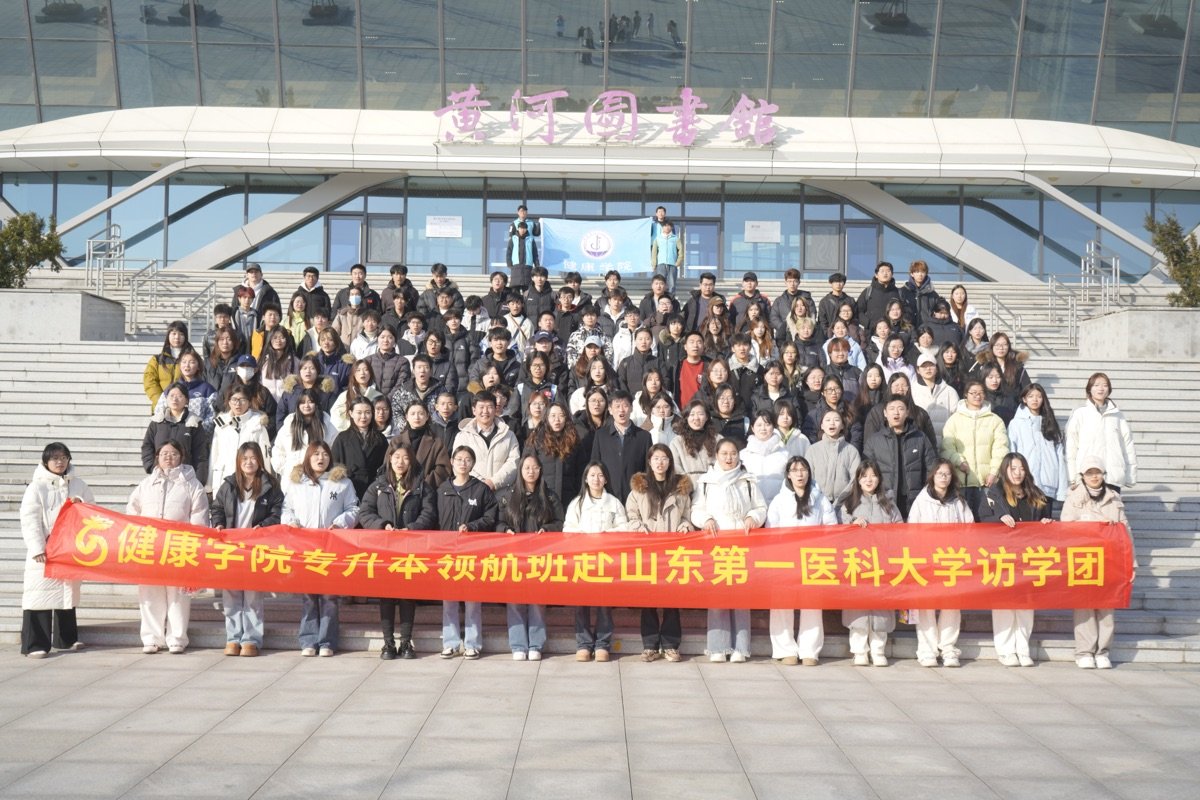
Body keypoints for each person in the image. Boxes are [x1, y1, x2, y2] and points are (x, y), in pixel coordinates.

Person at [127, 440, 208, 654]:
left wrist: (194, 543)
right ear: (157, 457)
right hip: (150, 547)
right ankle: (152, 638)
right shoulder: (146, 484)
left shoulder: (192, 485)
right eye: (164, 454)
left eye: (173, 454)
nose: (168, 458)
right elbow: (132, 511)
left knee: (178, 595)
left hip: (179, 547)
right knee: (149, 594)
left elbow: (199, 516)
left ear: (181, 457)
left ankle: (177, 638)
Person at [359, 442, 437, 660]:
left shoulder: (422, 487)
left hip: (411, 549)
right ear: (389, 460)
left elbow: (429, 513)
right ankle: (388, 643)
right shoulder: (378, 486)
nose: (400, 462)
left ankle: (405, 642)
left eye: (405, 458)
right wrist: (382, 525)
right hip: (385, 549)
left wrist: (411, 529)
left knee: (407, 596)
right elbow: (365, 512)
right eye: (396, 457)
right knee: (386, 596)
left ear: (411, 461)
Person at [692, 439, 767, 663]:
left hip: (741, 546)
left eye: (733, 453)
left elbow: (761, 507)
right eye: (724, 453)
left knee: (741, 597)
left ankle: (740, 648)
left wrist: (753, 517)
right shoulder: (706, 482)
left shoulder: (748, 480)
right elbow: (696, 509)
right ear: (716, 455)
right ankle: (718, 646)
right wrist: (706, 519)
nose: (729, 458)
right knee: (718, 596)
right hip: (716, 545)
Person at [977, 452, 1053, 667]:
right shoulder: (994, 493)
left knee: (1026, 605)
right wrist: (999, 518)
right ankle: (1006, 650)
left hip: (1028, 558)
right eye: (1013, 469)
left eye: (1021, 468)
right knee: (1003, 605)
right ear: (1005, 470)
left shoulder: (1036, 494)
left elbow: (1046, 521)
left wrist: (1046, 523)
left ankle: (1023, 648)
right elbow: (982, 520)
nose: (1018, 473)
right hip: (1003, 557)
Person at [19, 443, 95, 658]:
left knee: (67, 594)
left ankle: (66, 639)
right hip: (46, 550)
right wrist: (37, 548)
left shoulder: (78, 484)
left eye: (63, 457)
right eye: (54, 458)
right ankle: (35, 644)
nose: (60, 462)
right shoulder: (37, 487)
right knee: (39, 596)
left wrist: (80, 504)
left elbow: (92, 511)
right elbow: (30, 519)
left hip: (70, 549)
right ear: (45, 462)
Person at [283, 441, 358, 657]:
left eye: (324, 454)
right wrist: (292, 522)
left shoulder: (342, 483)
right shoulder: (297, 483)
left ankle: (327, 642)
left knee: (329, 596)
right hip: (305, 546)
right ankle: (308, 640)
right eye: (315, 454)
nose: (320, 458)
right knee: (308, 595)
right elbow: (286, 509)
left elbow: (354, 508)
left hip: (331, 546)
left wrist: (340, 523)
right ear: (308, 457)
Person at [210, 442, 283, 658]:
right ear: (238, 462)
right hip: (231, 547)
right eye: (244, 459)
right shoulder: (229, 484)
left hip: (256, 548)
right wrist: (219, 524)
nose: (249, 462)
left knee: (252, 596)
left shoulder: (270, 485)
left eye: (252, 458)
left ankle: (251, 639)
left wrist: (265, 525)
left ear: (260, 460)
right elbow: (217, 507)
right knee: (231, 594)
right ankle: (233, 638)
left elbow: (277, 512)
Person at [623, 445, 693, 662]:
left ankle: (671, 644)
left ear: (670, 462)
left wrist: (685, 525)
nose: (660, 462)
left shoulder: (680, 488)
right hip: (647, 551)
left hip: (673, 551)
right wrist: (637, 526)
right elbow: (630, 515)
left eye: (664, 458)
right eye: (656, 458)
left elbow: (688, 515)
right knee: (648, 598)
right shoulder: (639, 488)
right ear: (649, 462)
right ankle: (650, 645)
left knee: (672, 598)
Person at [1061, 455, 1130, 670]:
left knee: (1107, 608)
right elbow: (1066, 527)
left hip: (1110, 560)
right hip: (1083, 558)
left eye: (1097, 472)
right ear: (1082, 476)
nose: (1094, 476)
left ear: (1103, 475)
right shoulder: (1073, 498)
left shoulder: (1114, 499)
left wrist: (1132, 564)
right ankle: (1084, 651)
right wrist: (1093, 523)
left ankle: (1103, 651)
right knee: (1084, 607)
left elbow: (1126, 534)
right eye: (1089, 473)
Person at [765, 455, 835, 666]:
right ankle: (785, 649)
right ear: (788, 475)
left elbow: (831, 526)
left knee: (812, 604)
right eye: (794, 470)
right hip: (785, 559)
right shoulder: (779, 500)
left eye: (803, 469)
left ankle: (809, 650)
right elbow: (771, 529)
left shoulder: (820, 498)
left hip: (813, 558)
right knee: (782, 603)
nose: (799, 474)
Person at [906, 459, 973, 667]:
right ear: (932, 476)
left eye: (947, 474)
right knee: (925, 605)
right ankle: (927, 650)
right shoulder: (921, 501)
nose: (943, 477)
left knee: (951, 605)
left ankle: (948, 648)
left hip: (952, 560)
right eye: (939, 473)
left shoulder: (959, 502)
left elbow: (969, 528)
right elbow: (912, 529)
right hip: (926, 560)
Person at [497, 454, 564, 660]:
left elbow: (560, 522)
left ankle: (536, 644)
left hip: (539, 557)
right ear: (520, 470)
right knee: (515, 599)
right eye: (526, 467)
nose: (531, 471)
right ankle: (518, 645)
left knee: (537, 601)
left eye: (535, 467)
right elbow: (498, 522)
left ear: (540, 470)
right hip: (515, 556)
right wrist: (505, 530)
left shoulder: (549, 496)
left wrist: (547, 529)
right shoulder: (508, 496)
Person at [436, 446, 499, 660]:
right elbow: (433, 517)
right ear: (452, 462)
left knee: (472, 599)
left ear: (472, 463)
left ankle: (473, 643)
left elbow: (491, 517)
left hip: (473, 553)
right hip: (447, 552)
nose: (463, 463)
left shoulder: (481, 490)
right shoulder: (442, 489)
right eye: (459, 459)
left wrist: (472, 526)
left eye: (467, 459)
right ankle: (450, 643)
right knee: (449, 599)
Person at [564, 461, 628, 661]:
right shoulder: (577, 503)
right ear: (585, 479)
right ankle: (583, 644)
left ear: (606, 479)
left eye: (600, 475)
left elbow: (624, 528)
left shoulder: (614, 503)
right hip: (582, 560)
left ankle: (602, 644)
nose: (596, 479)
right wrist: (584, 537)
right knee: (581, 603)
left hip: (606, 561)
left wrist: (605, 535)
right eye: (592, 475)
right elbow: (568, 529)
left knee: (604, 603)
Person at [840, 461, 903, 666]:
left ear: (879, 479)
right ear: (858, 479)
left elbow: (900, 529)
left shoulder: (889, 503)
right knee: (858, 607)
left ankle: (878, 649)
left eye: (873, 475)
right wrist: (852, 524)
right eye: (864, 476)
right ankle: (859, 650)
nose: (869, 480)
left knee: (880, 608)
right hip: (857, 562)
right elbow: (839, 530)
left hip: (882, 563)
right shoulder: (849, 504)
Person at [940, 379, 1010, 512]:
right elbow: (946, 448)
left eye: (981, 393)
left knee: (987, 518)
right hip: (962, 480)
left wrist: (994, 472)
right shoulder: (954, 420)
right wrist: (958, 461)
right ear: (966, 394)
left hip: (986, 482)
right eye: (973, 393)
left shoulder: (995, 420)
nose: (977, 396)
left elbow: (1001, 449)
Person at [863, 397, 938, 518]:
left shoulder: (920, 437)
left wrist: (926, 492)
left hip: (914, 499)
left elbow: (931, 467)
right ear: (885, 413)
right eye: (892, 409)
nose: (896, 413)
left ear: (907, 412)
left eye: (900, 409)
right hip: (885, 499)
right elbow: (866, 471)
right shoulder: (874, 440)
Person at [1065, 372, 1137, 491]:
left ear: (1109, 389)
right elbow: (1071, 446)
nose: (1101, 388)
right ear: (1089, 389)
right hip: (1088, 477)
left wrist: (1131, 476)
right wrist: (1072, 476)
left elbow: (1128, 446)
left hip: (1112, 477)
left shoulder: (1117, 415)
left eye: (1105, 385)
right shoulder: (1080, 414)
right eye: (1096, 385)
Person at [1008, 383, 1069, 516]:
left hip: (1048, 483)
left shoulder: (1050, 423)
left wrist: (1062, 489)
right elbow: (1011, 453)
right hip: (1026, 483)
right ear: (1024, 399)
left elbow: (1060, 456)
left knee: (1045, 524)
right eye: (1031, 396)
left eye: (1039, 396)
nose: (1035, 400)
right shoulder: (1016, 424)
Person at [589, 390, 652, 503]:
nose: (621, 410)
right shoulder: (601, 435)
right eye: (617, 406)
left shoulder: (644, 436)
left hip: (636, 496)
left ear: (631, 408)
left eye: (625, 406)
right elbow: (595, 465)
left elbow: (648, 468)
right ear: (610, 410)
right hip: (608, 496)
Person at [142, 382, 209, 482]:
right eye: (171, 396)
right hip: (160, 476)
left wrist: (199, 480)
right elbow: (147, 446)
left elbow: (200, 454)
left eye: (179, 396)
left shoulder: (193, 423)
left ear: (186, 400)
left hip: (185, 478)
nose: (175, 399)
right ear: (166, 399)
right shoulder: (157, 422)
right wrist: (152, 467)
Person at [456, 392, 520, 493]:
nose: (485, 411)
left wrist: (493, 482)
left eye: (489, 407)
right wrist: (480, 484)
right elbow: (458, 463)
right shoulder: (463, 436)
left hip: (502, 493)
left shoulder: (509, 435)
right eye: (481, 407)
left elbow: (513, 463)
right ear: (474, 410)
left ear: (495, 409)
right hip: (471, 492)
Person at [332, 397, 388, 501]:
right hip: (348, 488)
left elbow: (385, 466)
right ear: (351, 413)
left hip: (372, 489)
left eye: (367, 412)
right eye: (359, 412)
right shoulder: (342, 438)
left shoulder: (380, 439)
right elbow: (335, 464)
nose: (363, 417)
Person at [740, 412, 789, 503]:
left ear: (773, 427)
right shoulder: (743, 455)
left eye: (767, 424)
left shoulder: (785, 454)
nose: (763, 428)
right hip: (752, 507)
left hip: (778, 505)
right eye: (759, 425)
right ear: (752, 428)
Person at [143, 321, 192, 410]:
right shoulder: (156, 360)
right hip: (161, 408)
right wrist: (163, 401)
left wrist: (183, 402)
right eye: (174, 333)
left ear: (185, 337)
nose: (177, 337)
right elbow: (150, 383)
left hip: (185, 409)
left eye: (181, 334)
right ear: (168, 336)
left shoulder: (193, 360)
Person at [650, 220, 683, 293]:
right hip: (661, 264)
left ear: (671, 227)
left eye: (669, 226)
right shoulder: (658, 239)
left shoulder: (675, 238)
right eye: (665, 226)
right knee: (660, 282)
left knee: (672, 283)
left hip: (672, 264)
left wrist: (678, 262)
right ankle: (660, 297)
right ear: (662, 227)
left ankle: (671, 298)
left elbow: (681, 251)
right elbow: (654, 252)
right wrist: (654, 264)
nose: (667, 227)